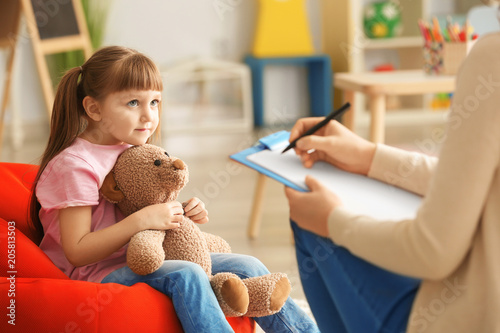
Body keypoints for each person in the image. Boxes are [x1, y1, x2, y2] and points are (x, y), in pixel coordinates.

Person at [29, 46, 318, 333]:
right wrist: (143, 221)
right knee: (187, 272)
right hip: (97, 274)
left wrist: (183, 211)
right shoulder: (75, 165)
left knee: (248, 264)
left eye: (154, 102)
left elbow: (144, 203)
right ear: (93, 108)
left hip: (145, 256)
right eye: (133, 103)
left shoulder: (131, 147)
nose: (148, 116)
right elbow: (78, 251)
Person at [284, 30, 500, 332]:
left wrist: (333, 220)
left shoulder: (493, 57)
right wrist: (370, 157)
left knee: (308, 220)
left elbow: (433, 251)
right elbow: (477, 178)